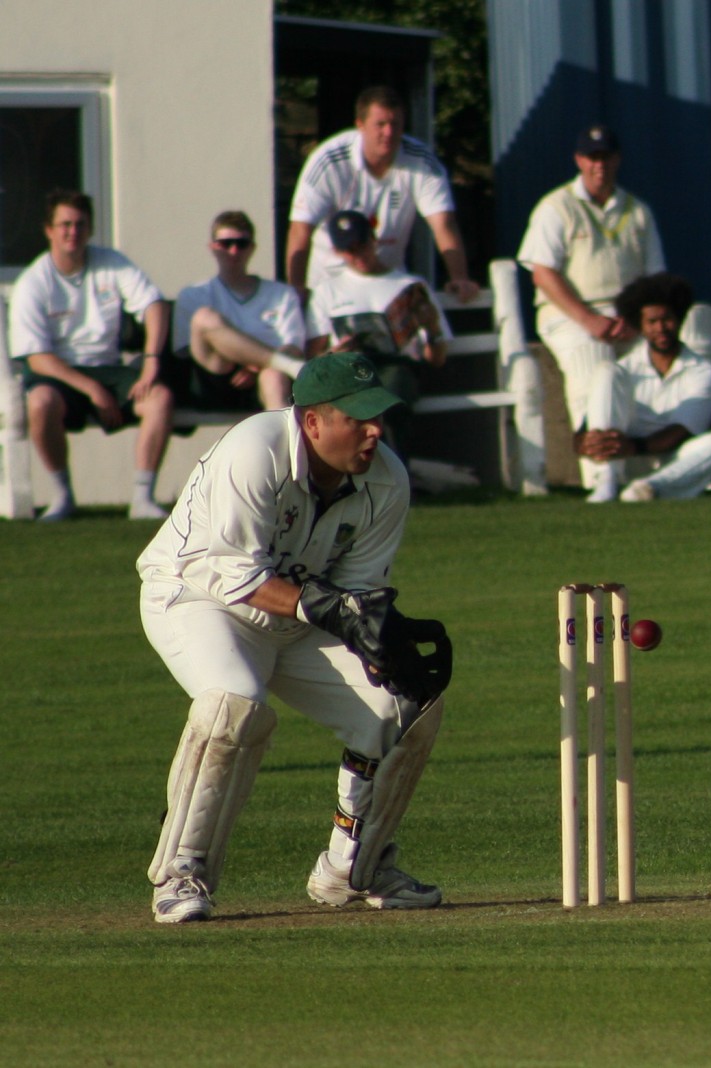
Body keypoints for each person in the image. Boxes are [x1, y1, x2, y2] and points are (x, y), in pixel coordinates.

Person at [138, 351, 453, 923]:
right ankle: (182, 871)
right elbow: (235, 574)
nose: (374, 432)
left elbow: (356, 589)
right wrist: (332, 610)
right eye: (357, 420)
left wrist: (375, 633)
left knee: (404, 707)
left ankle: (353, 868)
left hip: (296, 618)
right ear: (312, 421)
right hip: (198, 598)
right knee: (233, 707)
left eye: (378, 417)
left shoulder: (387, 478)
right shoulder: (254, 450)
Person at [6, 190, 173, 521]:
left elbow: (154, 305)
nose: (73, 232)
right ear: (49, 230)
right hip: (58, 376)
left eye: (80, 224)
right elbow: (37, 358)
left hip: (109, 369)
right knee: (39, 403)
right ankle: (63, 497)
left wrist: (151, 360)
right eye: (65, 224)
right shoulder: (32, 282)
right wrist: (91, 389)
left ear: (91, 229)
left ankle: (142, 499)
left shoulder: (112, 263)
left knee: (160, 398)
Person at [516, 123, 665, 488]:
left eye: (606, 157)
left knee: (655, 370)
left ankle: (648, 471)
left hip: (628, 318)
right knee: (594, 369)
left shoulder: (637, 211)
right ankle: (601, 476)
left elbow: (654, 280)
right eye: (592, 157)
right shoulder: (556, 206)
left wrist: (634, 320)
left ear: (618, 159)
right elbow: (543, 274)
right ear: (579, 160)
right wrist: (589, 319)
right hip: (570, 316)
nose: (600, 165)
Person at [285, 85, 479, 302]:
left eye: (395, 124)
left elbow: (443, 224)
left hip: (388, 286)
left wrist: (459, 278)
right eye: (380, 124)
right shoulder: (328, 162)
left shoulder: (422, 162)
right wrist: (296, 288)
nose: (389, 133)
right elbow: (300, 229)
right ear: (360, 125)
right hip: (330, 286)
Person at [305, 210, 452, 464]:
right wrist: (333, 354)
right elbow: (312, 356)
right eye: (349, 250)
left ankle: (389, 473)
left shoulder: (408, 285)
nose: (358, 255)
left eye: (361, 246)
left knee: (387, 396)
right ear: (338, 252)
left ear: (373, 240)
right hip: (348, 370)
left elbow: (436, 359)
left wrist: (432, 327)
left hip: (397, 366)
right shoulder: (327, 291)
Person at [576, 272, 711, 503]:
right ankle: (607, 483)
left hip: (672, 462)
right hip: (621, 460)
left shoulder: (703, 373)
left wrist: (632, 446)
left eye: (667, 319)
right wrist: (588, 443)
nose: (660, 328)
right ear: (640, 326)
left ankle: (649, 489)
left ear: (679, 320)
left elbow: (680, 433)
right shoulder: (622, 370)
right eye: (652, 322)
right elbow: (582, 432)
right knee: (606, 370)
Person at [173, 210, 307, 411]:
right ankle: (283, 365)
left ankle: (281, 432)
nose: (234, 251)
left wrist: (257, 367)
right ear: (212, 247)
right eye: (225, 243)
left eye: (241, 244)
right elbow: (186, 351)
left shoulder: (282, 293)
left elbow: (293, 345)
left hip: (266, 377)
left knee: (274, 377)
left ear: (252, 248)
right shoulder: (193, 294)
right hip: (215, 377)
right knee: (204, 317)